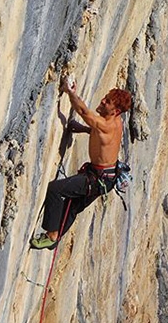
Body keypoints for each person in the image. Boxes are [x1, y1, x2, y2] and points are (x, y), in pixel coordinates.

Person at [30, 77, 132, 250]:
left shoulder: (105, 124)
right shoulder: (116, 122)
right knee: (72, 206)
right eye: (105, 97)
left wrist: (71, 92)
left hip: (96, 179)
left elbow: (84, 112)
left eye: (107, 102)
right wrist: (84, 129)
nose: (102, 101)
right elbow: (103, 138)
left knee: (55, 189)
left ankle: (52, 235)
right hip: (105, 178)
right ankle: (55, 237)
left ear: (115, 111)